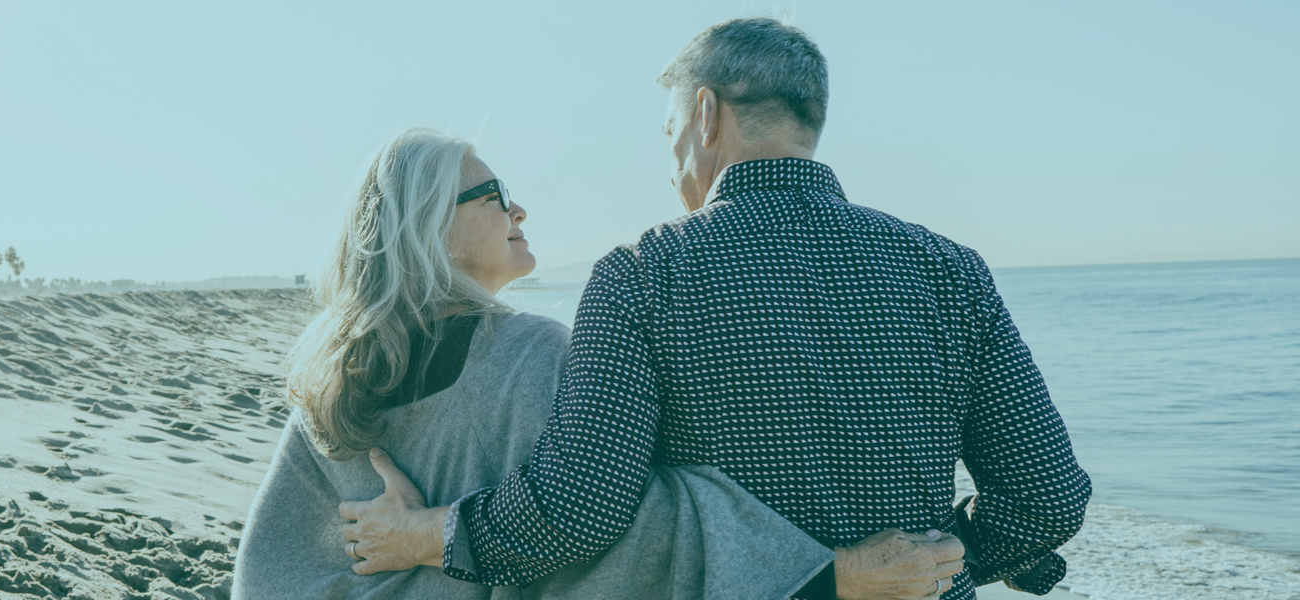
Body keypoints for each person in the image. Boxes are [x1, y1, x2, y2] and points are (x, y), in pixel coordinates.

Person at [340, 18, 1092, 600]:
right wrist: (944, 558)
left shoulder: (643, 272)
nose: (673, 169)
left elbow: (580, 508)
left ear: (705, 116)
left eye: (670, 135)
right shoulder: (951, 270)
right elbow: (1049, 498)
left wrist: (424, 537)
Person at [232, 128, 963, 600]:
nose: (520, 211)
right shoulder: (531, 354)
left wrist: (418, 541)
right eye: (495, 197)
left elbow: (272, 569)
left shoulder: (329, 379)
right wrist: (833, 576)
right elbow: (631, 528)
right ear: (427, 224)